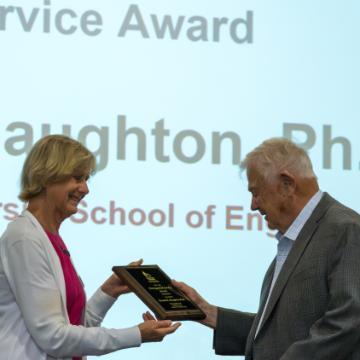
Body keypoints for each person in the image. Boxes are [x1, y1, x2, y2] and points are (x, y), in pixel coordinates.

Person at [171, 138, 360, 359]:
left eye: (256, 192)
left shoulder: (346, 230)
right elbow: (276, 334)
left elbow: (349, 323)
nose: (253, 205)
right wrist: (207, 313)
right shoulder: (294, 241)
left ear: (287, 185)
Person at [0, 135, 180, 360]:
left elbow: (75, 328)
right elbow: (55, 338)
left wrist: (108, 292)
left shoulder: (49, 238)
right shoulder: (24, 238)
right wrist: (136, 334)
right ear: (47, 176)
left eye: (86, 179)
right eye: (77, 178)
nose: (85, 189)